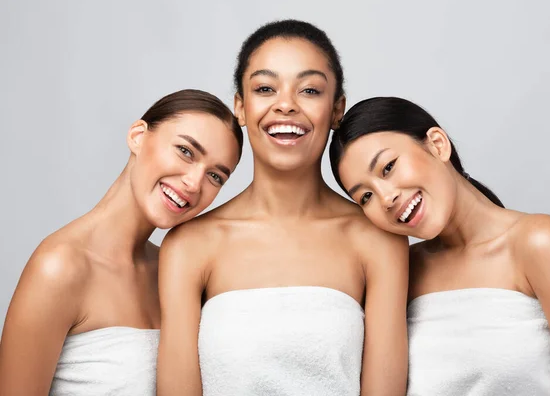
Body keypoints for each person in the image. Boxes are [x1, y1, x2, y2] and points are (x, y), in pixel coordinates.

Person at [157, 21, 409, 396]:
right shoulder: (188, 245)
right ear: (240, 107)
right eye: (264, 88)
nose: (286, 104)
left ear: (337, 109)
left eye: (309, 89)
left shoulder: (378, 239)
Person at [329, 96, 550, 396]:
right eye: (365, 197)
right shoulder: (401, 272)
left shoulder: (538, 243)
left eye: (388, 167)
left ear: (437, 144)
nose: (386, 198)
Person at [0, 89, 243, 396]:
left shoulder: (176, 271)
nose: (194, 183)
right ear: (137, 136)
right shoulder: (60, 267)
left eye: (215, 176)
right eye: (185, 151)